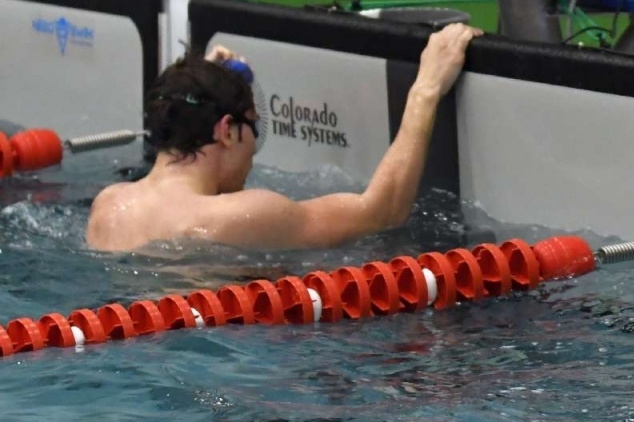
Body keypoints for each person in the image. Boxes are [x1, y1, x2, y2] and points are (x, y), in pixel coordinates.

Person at [86, 24, 480, 252]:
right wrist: (426, 88)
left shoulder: (108, 207)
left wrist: (203, 83)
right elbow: (382, 211)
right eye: (253, 132)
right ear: (226, 131)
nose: (252, 156)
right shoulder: (242, 215)